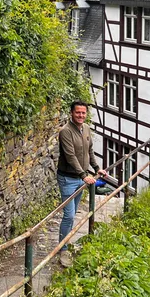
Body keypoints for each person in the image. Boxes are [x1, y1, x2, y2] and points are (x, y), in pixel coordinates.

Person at [56, 101, 106, 267]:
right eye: (78, 113)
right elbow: (70, 156)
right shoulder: (65, 132)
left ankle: (67, 243)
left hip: (80, 178)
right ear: (71, 113)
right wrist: (84, 175)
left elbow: (89, 151)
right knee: (69, 215)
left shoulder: (85, 129)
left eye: (83, 113)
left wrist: (98, 168)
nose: (81, 116)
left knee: (74, 213)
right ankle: (63, 249)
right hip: (68, 179)